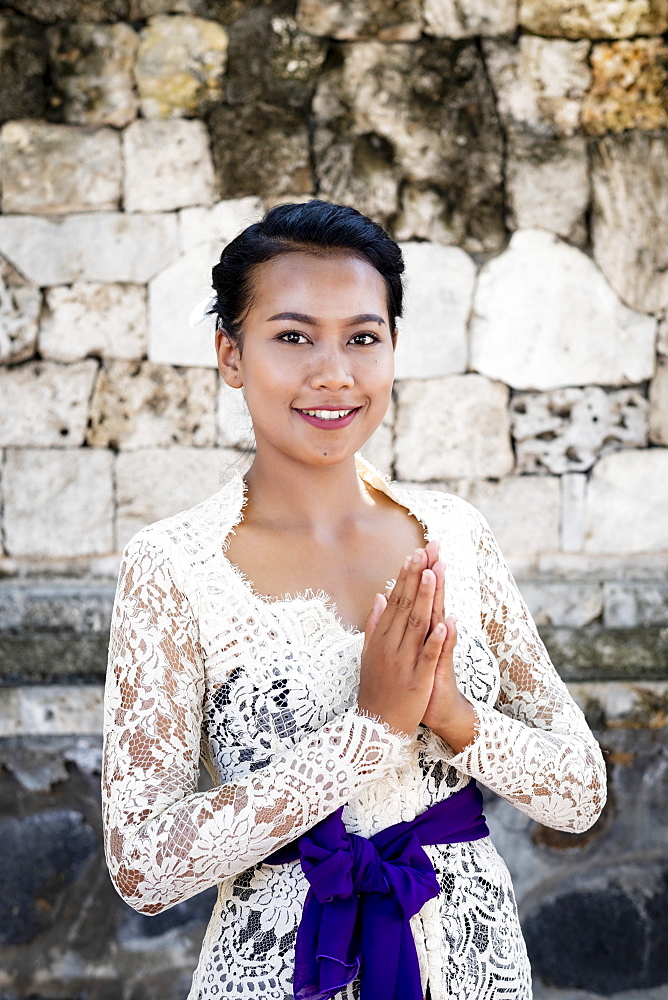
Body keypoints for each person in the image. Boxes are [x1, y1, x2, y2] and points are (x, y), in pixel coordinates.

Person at [102, 200, 607, 1000]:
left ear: (395, 349)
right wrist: (367, 733)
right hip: (279, 971)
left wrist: (452, 714)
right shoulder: (174, 566)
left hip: (473, 963)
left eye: (363, 338)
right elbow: (143, 863)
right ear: (230, 355)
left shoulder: (454, 534)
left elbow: (580, 792)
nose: (333, 372)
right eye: (293, 336)